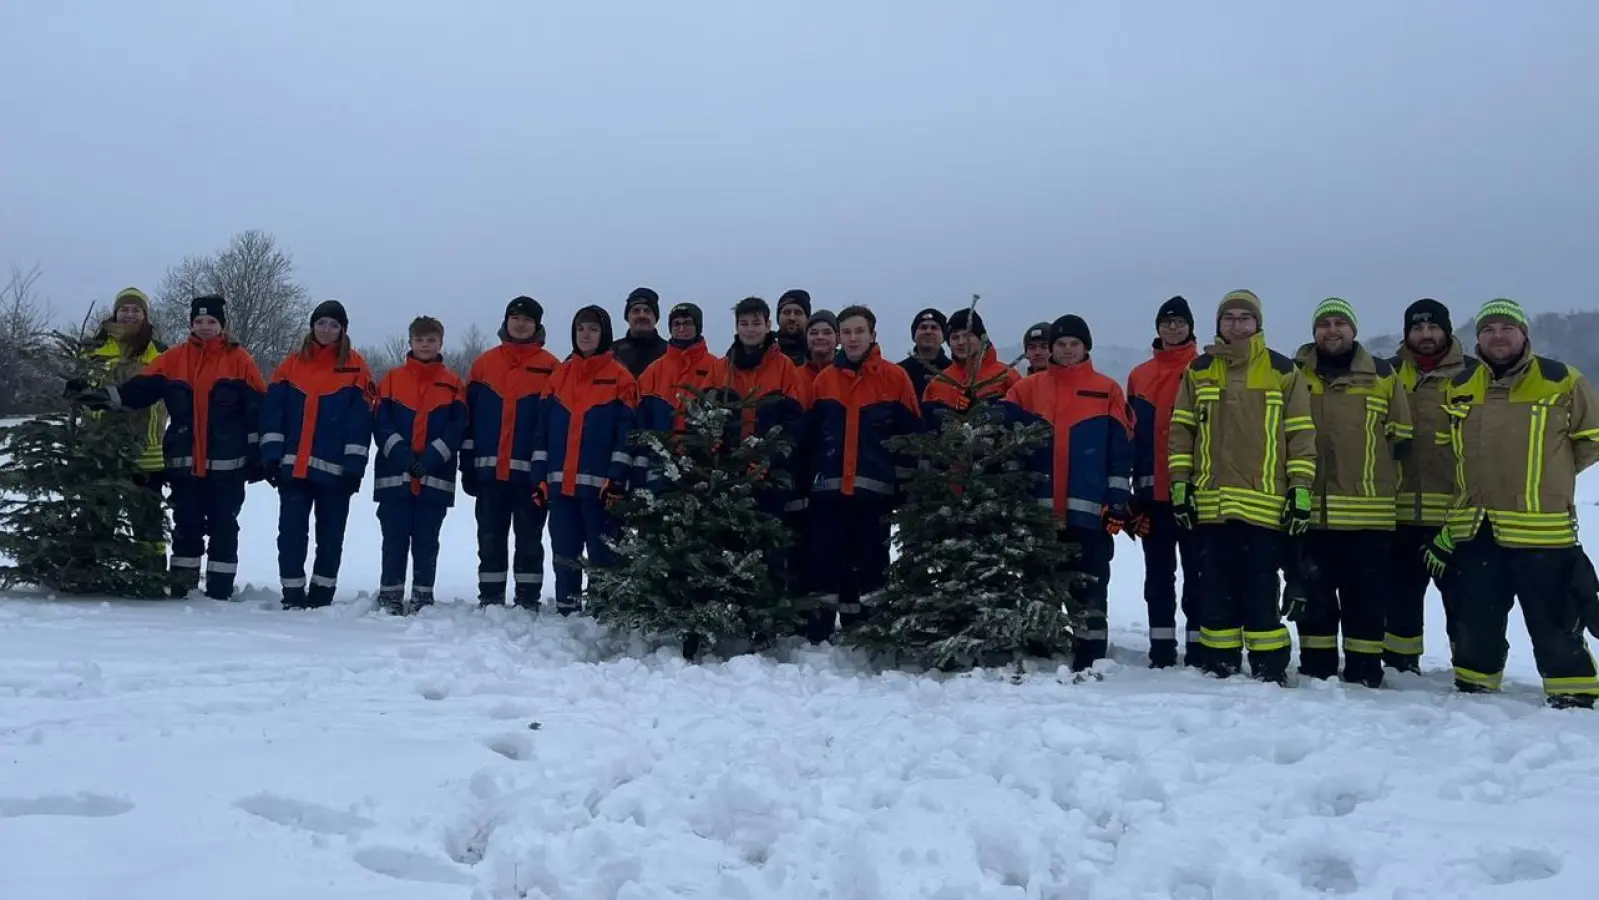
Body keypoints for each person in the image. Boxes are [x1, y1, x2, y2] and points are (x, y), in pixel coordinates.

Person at [1426, 299, 1599, 708]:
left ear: (1524, 334)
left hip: (1542, 529)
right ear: (1478, 338)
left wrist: (1548, 479)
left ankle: (1572, 691)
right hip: (1477, 529)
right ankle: (1475, 687)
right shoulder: (1460, 386)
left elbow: (1590, 441)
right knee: (1476, 619)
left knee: (1556, 619)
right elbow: (1450, 452)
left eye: (1506, 328)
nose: (1497, 336)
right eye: (1488, 330)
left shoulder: (1562, 380)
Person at [74, 295, 266, 600]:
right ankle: (182, 587)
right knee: (186, 525)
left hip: (227, 464)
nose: (205, 327)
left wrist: (258, 455)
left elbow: (258, 410)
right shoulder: (174, 358)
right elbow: (138, 390)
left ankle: (219, 591)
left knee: (224, 527)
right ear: (191, 324)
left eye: (211, 322)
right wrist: (100, 396)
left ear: (222, 325)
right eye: (199, 321)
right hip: (184, 462)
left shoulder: (239, 359)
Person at [1168, 289, 1316, 684]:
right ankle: (1221, 664)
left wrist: (1300, 488)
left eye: (1244, 318)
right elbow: (1182, 432)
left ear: (1258, 324)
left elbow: (1300, 435)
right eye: (1228, 318)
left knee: (1260, 592)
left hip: (1264, 507)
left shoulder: (1283, 371)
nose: (1236, 324)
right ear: (1218, 325)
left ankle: (1270, 667)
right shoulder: (1198, 370)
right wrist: (1180, 485)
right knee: (1214, 592)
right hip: (1212, 506)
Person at [1291, 298, 1412, 688]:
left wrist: (1377, 481)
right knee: (1315, 599)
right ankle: (1316, 668)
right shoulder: (1294, 375)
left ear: (1353, 330)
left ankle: (1364, 672)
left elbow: (1402, 440)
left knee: (1366, 602)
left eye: (1340, 322)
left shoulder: (1383, 375)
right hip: (1310, 511)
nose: (1332, 330)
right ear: (1314, 332)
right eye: (1324, 323)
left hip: (1368, 514)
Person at [1003, 314, 1133, 670]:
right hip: (1038, 511)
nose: (1067, 350)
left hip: (1089, 511)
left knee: (1090, 581)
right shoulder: (1027, 390)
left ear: (1086, 347)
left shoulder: (1107, 389)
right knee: (1038, 581)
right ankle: (1038, 643)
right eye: (1060, 344)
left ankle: (1089, 649)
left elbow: (1119, 452)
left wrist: (1118, 501)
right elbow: (1006, 441)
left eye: (1074, 344)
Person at [804, 305, 921, 638]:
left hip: (875, 493)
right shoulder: (824, 379)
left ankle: (868, 627)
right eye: (848, 332)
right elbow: (810, 436)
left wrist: (905, 485)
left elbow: (911, 438)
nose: (853, 338)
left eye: (860, 331)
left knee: (871, 562)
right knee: (826, 560)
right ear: (840, 338)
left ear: (873, 335)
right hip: (828, 491)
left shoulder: (895, 378)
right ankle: (821, 627)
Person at [260, 300, 376, 610]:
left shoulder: (356, 367)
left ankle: (322, 594)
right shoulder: (291, 364)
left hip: (336, 473)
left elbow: (361, 422)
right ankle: (293, 594)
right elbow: (274, 414)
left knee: (331, 536)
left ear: (343, 330)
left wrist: (355, 466)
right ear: (312, 326)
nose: (326, 330)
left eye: (334, 325)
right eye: (321, 323)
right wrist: (271, 454)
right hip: (294, 470)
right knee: (291, 535)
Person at [532, 306, 639, 616]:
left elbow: (627, 435)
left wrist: (616, 477)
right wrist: (539, 477)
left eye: (593, 329)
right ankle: (567, 608)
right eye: (581, 329)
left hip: (601, 489)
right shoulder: (559, 376)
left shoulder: (621, 378)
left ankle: (602, 610)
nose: (586, 335)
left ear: (604, 333)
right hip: (560, 486)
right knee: (564, 550)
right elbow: (542, 434)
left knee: (602, 552)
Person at [1386, 298, 1471, 672]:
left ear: (1446, 330)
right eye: (1417, 328)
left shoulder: (1474, 375)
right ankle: (1400, 668)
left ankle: (1472, 670)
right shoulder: (1386, 374)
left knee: (1465, 602)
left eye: (1432, 327)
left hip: (1457, 516)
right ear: (1407, 334)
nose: (1425, 335)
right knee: (1399, 600)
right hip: (1398, 513)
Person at [461, 296, 559, 609]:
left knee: (530, 540)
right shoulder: (483, 365)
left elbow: (555, 427)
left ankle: (527, 598)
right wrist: (468, 466)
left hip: (531, 475)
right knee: (489, 538)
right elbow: (469, 420)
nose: (520, 324)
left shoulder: (552, 369)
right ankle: (490, 596)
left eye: (527, 320)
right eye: (515, 318)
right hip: (489, 474)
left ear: (537, 326)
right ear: (506, 322)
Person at [712, 297, 811, 595]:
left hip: (771, 475)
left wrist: (768, 460)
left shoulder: (785, 369)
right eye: (744, 323)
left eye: (757, 323)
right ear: (736, 327)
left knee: (769, 546)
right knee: (730, 545)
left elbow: (795, 423)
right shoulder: (721, 368)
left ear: (769, 325)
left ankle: (767, 614)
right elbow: (708, 419)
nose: (750, 329)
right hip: (729, 475)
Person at [372, 316, 467, 615]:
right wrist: (402, 456)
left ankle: (423, 596)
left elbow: (458, 427)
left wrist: (429, 459)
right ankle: (391, 594)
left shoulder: (454, 384)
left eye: (431, 340)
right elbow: (381, 424)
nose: (425, 345)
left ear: (441, 343)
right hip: (394, 476)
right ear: (410, 342)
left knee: (427, 539)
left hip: (434, 478)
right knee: (394, 537)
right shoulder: (391, 380)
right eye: (420, 339)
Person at [1126, 295, 1200, 667]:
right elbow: (1131, 435)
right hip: (1150, 495)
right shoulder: (1139, 375)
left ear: (1191, 327)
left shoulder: (1204, 369)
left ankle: (1200, 647)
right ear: (1157, 328)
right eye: (1166, 322)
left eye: (1179, 322)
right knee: (1157, 577)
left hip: (1196, 496)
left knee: (1198, 577)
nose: (1173, 328)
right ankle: (1162, 648)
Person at [76, 288, 170, 562]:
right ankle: (92, 571)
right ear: (115, 312)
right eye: (124, 309)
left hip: (146, 446)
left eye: (136, 310)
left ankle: (149, 572)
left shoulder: (161, 352)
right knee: (100, 512)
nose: (129, 314)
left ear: (145, 315)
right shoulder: (93, 350)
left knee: (147, 516)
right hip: (100, 447)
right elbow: (80, 391)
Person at [636, 302, 719, 486]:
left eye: (687, 323)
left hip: (702, 465)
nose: (681, 328)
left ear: (698, 326)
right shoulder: (654, 371)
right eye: (676, 324)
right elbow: (640, 420)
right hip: (660, 464)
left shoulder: (716, 368)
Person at [921, 308, 1019, 420]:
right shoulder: (938, 383)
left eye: (967, 336)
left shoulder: (1006, 376)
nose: (961, 342)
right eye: (955, 337)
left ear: (981, 338)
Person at [611, 287, 667, 378]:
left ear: (655, 318)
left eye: (647, 311)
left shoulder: (669, 353)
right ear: (627, 317)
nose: (642, 315)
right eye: (636, 311)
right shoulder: (612, 354)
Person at [899, 308, 951, 399]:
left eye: (934, 328)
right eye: (923, 327)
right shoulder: (899, 371)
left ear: (943, 336)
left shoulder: (954, 372)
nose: (928, 331)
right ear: (914, 335)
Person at [799, 309, 838, 386]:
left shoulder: (849, 375)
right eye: (814, 333)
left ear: (837, 338)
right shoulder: (795, 376)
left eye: (827, 333)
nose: (820, 337)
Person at [775, 289, 812, 366]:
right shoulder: (765, 354)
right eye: (787, 312)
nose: (792, 318)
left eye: (798, 313)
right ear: (778, 318)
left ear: (808, 319)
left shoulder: (818, 355)